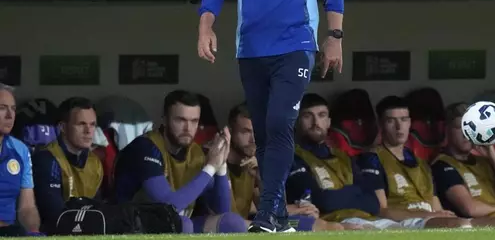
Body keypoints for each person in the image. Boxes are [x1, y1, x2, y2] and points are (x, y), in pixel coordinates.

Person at [197, 0, 344, 233]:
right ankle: (278, 217)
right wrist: (206, 26)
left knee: (280, 122)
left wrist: (334, 37)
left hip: (296, 43)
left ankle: (265, 212)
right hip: (251, 47)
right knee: (263, 130)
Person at [358, 96, 495, 228]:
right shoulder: (371, 159)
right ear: (381, 125)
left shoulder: (421, 163)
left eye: (404, 119)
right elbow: (381, 210)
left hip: (430, 219)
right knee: (462, 226)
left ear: (410, 123)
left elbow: (436, 205)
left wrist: (441, 215)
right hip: (402, 222)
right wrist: (430, 214)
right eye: (391, 121)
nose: (399, 127)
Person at [287, 93, 429, 230]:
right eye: (307, 116)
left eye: (321, 115)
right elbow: (322, 201)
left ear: (329, 121)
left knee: (403, 233)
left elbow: (373, 203)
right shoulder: (292, 157)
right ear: (296, 121)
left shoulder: (344, 157)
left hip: (371, 219)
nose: (316, 123)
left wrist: (335, 194)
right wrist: (356, 191)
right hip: (334, 221)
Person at [113, 90, 246, 234]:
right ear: (164, 119)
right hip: (132, 225)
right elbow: (169, 206)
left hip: (177, 225)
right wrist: (210, 167)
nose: (188, 128)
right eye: (180, 120)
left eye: (194, 121)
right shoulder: (145, 148)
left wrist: (221, 165)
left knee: (232, 223)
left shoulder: (195, 153)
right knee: (183, 224)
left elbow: (222, 211)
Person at [226, 103, 346, 231]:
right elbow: (228, 215)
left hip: (255, 223)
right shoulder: (219, 161)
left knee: (324, 225)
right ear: (230, 131)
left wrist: (261, 175)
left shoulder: (254, 161)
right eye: (246, 132)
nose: (254, 139)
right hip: (231, 226)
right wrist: (292, 209)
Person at [32, 97, 102, 233]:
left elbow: (98, 208)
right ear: (63, 127)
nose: (88, 131)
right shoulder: (47, 159)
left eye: (92, 124)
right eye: (81, 124)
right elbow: (54, 216)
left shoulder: (95, 162)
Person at [0, 84, 41, 237]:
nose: (10, 115)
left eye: (13, 109)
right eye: (2, 108)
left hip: (10, 232)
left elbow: (27, 207)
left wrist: (33, 231)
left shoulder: (20, 150)